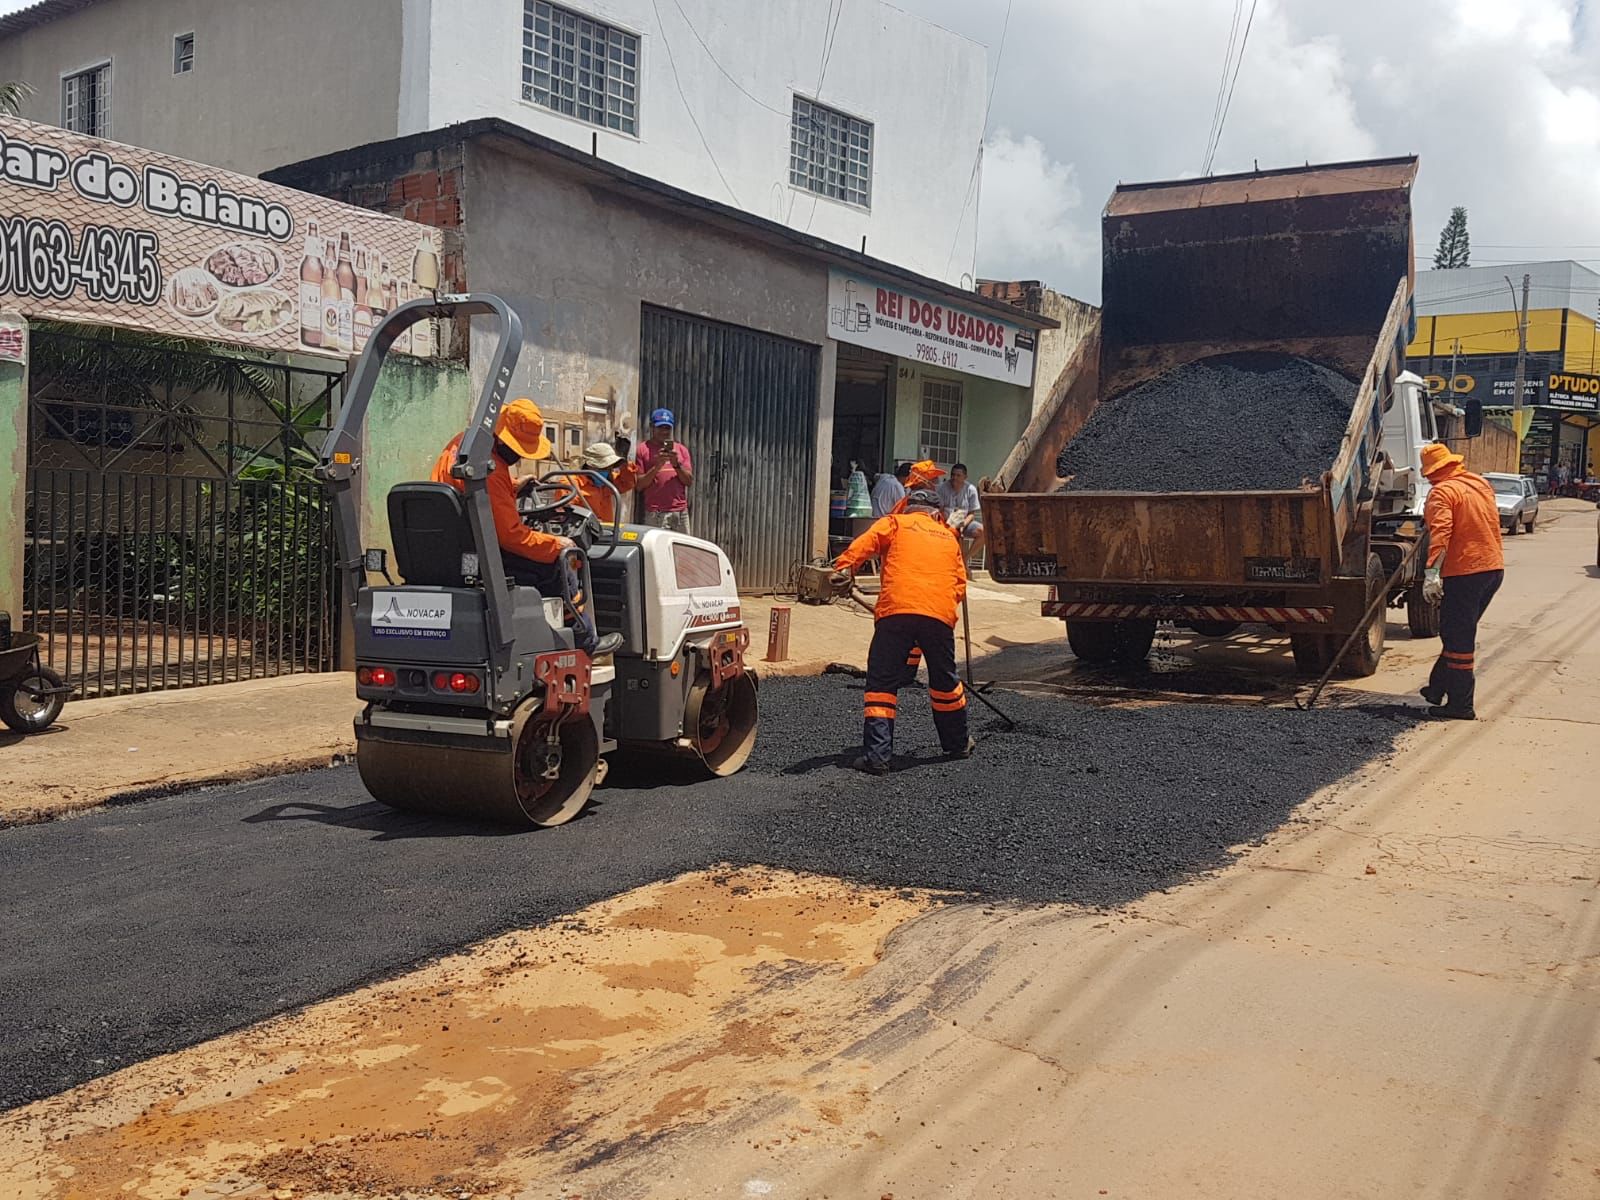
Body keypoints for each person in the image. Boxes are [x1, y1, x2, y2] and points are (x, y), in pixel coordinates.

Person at [431, 397, 621, 659]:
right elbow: (510, 536)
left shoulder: (463, 446)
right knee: (565, 560)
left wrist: (514, 486)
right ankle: (584, 639)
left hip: (456, 547)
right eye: (518, 448)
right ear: (501, 437)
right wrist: (557, 543)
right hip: (486, 554)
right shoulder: (491, 469)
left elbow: (475, 493)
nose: (519, 454)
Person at [832, 487, 974, 774]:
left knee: (882, 684)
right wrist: (941, 609)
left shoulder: (894, 523)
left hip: (896, 612)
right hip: (938, 615)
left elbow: (865, 543)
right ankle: (957, 744)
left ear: (908, 508)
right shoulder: (947, 536)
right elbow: (959, 583)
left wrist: (842, 568)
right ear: (936, 514)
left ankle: (878, 757)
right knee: (945, 683)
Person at [1418, 442, 1504, 720]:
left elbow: (1441, 534)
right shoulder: (1478, 483)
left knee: (1459, 639)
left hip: (1465, 572)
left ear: (1432, 472)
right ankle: (1436, 687)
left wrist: (1432, 573)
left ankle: (1461, 705)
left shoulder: (1442, 492)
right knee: (1457, 631)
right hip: (1492, 569)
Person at [635, 408, 693, 533]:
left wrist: (676, 465)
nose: (664, 431)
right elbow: (639, 485)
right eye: (661, 427)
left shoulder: (681, 450)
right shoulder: (643, 449)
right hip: (656, 513)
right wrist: (657, 467)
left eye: (667, 428)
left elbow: (688, 481)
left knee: (683, 550)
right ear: (652, 427)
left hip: (680, 512)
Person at [573, 441, 637, 526]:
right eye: (603, 468)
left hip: (606, 531)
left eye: (610, 468)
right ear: (590, 466)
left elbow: (627, 484)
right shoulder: (572, 483)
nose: (607, 471)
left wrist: (624, 464)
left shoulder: (607, 480)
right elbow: (566, 513)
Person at [937, 462, 986, 567]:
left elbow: (972, 513)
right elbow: (939, 510)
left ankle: (965, 559)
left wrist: (963, 524)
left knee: (983, 532)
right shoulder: (942, 488)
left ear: (965, 477)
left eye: (958, 475)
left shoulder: (971, 489)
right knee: (955, 535)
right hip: (946, 522)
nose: (955, 478)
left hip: (964, 522)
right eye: (953, 475)